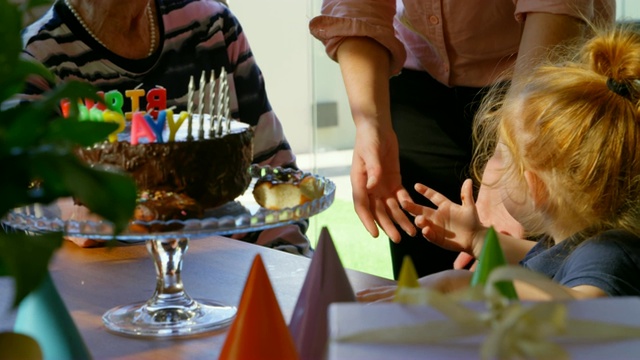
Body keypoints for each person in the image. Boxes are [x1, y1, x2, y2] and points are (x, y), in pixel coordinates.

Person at [309, 0, 616, 278]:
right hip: (418, 87)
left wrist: (513, 151)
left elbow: (576, 290)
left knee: (539, 288)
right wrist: (369, 125)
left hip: (541, 82)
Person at [359, 24, 640, 301]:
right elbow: (544, 260)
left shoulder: (607, 253)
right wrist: (478, 238)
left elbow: (583, 305)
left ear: (536, 187)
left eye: (505, 159)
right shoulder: (576, 239)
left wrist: (458, 284)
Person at [17, 0, 312, 256]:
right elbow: (24, 201)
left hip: (228, 268)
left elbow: (275, 175)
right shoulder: (36, 59)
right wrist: (77, 215)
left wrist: (288, 266)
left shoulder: (211, 27)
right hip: (108, 287)